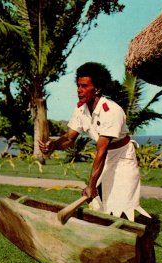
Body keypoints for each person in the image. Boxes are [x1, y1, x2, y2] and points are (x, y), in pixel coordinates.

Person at [39, 62, 151, 222]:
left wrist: (91, 185)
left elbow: (101, 151)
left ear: (97, 89)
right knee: (100, 206)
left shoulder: (111, 111)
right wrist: (53, 145)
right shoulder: (80, 109)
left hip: (122, 158)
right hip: (104, 157)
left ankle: (132, 241)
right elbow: (69, 138)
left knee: (122, 206)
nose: (79, 90)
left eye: (84, 86)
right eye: (78, 85)